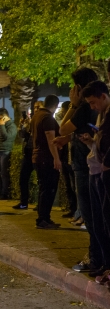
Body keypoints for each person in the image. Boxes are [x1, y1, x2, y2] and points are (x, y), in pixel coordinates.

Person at [53, 68, 100, 272]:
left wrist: (72, 105)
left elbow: (63, 127)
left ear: (79, 88)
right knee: (94, 213)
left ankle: (95, 257)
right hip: (90, 164)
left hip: (87, 167)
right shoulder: (95, 106)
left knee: (90, 214)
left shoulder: (83, 107)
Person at [80, 81, 110, 278]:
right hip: (98, 169)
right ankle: (105, 264)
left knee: (105, 222)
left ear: (103, 96)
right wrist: (93, 143)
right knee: (100, 222)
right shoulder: (102, 115)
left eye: (93, 102)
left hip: (104, 171)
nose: (92, 107)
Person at [32, 95, 62, 229]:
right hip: (46, 158)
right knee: (49, 188)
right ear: (55, 106)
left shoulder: (37, 116)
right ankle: (43, 218)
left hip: (38, 156)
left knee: (44, 188)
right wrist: (56, 158)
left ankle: (44, 218)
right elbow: (51, 139)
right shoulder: (48, 118)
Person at [55, 101, 78, 219]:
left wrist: (72, 107)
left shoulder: (75, 122)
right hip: (67, 158)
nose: (63, 113)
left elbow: (62, 130)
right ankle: (73, 209)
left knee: (76, 187)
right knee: (70, 186)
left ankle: (78, 213)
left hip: (74, 159)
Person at [13, 107, 36, 210]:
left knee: (41, 180)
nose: (35, 110)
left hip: (36, 152)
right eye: (34, 108)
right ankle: (24, 202)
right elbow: (22, 136)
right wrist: (21, 125)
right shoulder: (29, 122)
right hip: (27, 152)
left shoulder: (40, 121)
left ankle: (41, 204)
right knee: (23, 178)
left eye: (38, 107)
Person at [0, 108, 17, 199]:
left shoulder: (12, 126)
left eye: (0, 117)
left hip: (5, 151)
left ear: (5, 117)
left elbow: (7, 137)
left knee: (4, 173)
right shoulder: (0, 125)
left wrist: (2, 126)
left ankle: (4, 193)